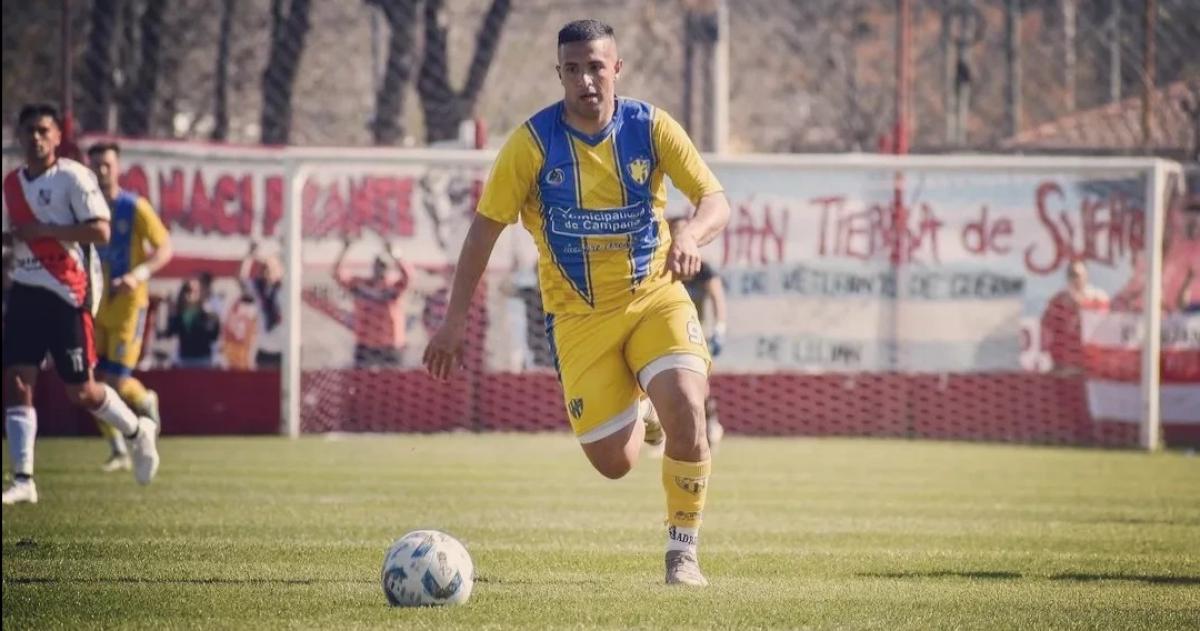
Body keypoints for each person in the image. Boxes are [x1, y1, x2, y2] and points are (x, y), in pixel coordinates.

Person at [423, 20, 730, 586]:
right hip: (578, 318)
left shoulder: (653, 127)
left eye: (596, 66)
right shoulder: (532, 144)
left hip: (655, 296)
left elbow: (714, 199)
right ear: (559, 73)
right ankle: (641, 407)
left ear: (617, 68)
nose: (586, 79)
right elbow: (483, 231)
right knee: (615, 464)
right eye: (573, 69)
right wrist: (454, 321)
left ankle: (682, 551)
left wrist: (689, 237)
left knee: (688, 404)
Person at [2, 104, 160, 504]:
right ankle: (24, 479)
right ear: (18, 137)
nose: (36, 138)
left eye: (43, 131)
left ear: (57, 137)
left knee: (84, 392)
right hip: (24, 288)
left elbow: (101, 232)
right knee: (18, 381)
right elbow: (12, 235)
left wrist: (44, 231)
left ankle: (137, 431)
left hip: (68, 292)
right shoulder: (10, 186)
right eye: (29, 131)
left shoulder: (73, 177)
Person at [88, 141, 173, 472]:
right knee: (91, 384)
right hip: (94, 306)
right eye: (96, 164)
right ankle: (117, 450)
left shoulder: (134, 207)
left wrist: (138, 275)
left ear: (118, 167)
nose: (102, 170)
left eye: (107, 164)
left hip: (128, 307)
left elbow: (164, 247)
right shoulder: (85, 209)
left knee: (118, 383)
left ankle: (145, 400)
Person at [667, 216, 727, 449]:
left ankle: (711, 424)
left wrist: (720, 328)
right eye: (675, 231)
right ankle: (665, 435)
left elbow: (717, 297)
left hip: (695, 334)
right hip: (666, 332)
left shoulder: (702, 267)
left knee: (699, 385)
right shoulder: (662, 265)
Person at [333, 236, 414, 368]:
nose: (380, 270)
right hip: (366, 345)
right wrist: (345, 249)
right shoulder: (360, 285)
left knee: (392, 383)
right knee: (361, 383)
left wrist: (395, 254)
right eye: (378, 266)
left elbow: (409, 276)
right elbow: (337, 274)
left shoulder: (393, 287)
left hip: (391, 345)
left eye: (384, 266)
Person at [1040, 260, 1110, 373]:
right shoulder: (1058, 300)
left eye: (1078, 275)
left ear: (1086, 276)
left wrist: (1081, 305)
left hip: (1090, 363)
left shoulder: (1098, 299)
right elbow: (1046, 327)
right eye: (1072, 275)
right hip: (1065, 364)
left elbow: (1103, 327)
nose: (1076, 279)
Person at [238, 241, 284, 369]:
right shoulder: (259, 288)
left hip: (285, 350)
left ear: (281, 269)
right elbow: (241, 279)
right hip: (265, 349)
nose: (269, 271)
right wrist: (249, 255)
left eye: (272, 268)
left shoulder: (286, 289)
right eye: (265, 268)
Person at [161, 277, 221, 368]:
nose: (190, 295)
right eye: (188, 291)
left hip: (203, 359)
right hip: (184, 358)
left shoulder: (207, 313)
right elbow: (170, 332)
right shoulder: (179, 313)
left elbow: (213, 336)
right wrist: (170, 311)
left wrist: (210, 317)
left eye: (195, 291)